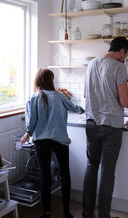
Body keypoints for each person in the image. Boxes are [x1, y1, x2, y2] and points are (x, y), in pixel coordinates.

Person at [82, 36, 128, 218]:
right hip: (111, 127)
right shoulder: (118, 67)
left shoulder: (91, 64)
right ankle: (104, 216)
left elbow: (85, 94)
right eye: (126, 55)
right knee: (107, 172)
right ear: (121, 51)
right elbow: (124, 100)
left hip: (91, 123)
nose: (126, 59)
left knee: (91, 166)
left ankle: (86, 213)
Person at [20, 68, 84, 218]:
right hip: (60, 140)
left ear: (38, 81)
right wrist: (86, 111)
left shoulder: (33, 98)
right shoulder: (60, 96)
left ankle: (47, 212)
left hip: (42, 142)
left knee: (45, 176)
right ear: (51, 80)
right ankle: (67, 212)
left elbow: (32, 122)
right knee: (65, 175)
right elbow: (75, 109)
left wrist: (27, 133)